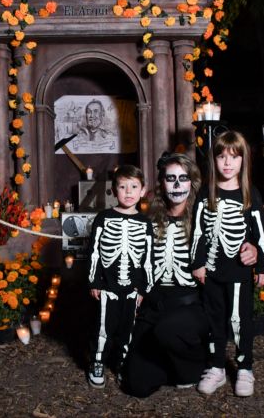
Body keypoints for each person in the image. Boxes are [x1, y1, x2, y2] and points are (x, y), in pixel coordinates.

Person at [121, 152, 260, 398]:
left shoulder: (205, 217)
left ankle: (196, 365)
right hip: (155, 307)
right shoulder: (148, 222)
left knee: (168, 330)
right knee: (136, 385)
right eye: (170, 178)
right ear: (161, 183)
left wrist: (252, 247)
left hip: (193, 306)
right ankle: (169, 361)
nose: (176, 185)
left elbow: (241, 234)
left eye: (183, 178)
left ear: (192, 182)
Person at [190, 131, 264, 398]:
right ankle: (216, 368)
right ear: (213, 160)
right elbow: (198, 233)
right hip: (212, 272)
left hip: (239, 272)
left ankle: (245, 367)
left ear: (243, 161)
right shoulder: (205, 194)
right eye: (222, 157)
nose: (227, 163)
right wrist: (197, 263)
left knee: (239, 320)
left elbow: (261, 234)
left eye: (234, 158)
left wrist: (263, 265)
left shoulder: (250, 194)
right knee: (214, 320)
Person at [86, 165, 153, 389]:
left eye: (134, 186)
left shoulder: (145, 223)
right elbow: (94, 251)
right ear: (114, 190)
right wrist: (94, 281)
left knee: (128, 329)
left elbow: (148, 258)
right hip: (108, 288)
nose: (128, 192)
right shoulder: (103, 218)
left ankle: (122, 363)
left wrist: (144, 288)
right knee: (103, 328)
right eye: (122, 186)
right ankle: (97, 362)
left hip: (133, 290)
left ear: (142, 191)